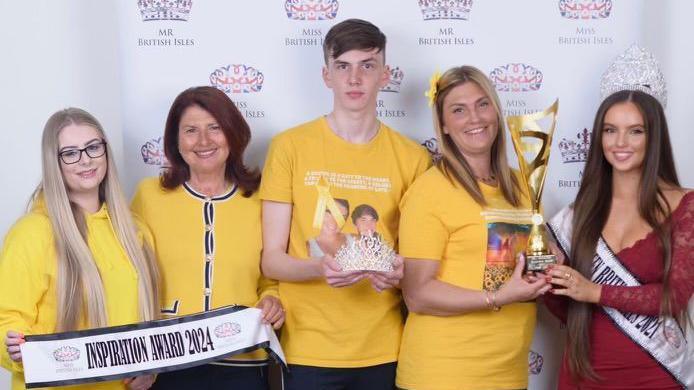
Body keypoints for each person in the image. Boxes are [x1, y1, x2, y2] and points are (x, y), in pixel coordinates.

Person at [259, 18, 431, 390]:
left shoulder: (413, 158)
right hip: (309, 347)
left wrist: (399, 274)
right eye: (343, 66)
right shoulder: (289, 147)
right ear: (327, 75)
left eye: (367, 66)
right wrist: (322, 268)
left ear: (385, 75)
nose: (355, 79)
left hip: (385, 347)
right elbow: (271, 259)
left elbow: (416, 261)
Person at [544, 45, 694, 389]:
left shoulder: (686, 206)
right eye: (610, 130)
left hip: (654, 376)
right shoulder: (577, 213)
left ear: (653, 136)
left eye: (635, 130)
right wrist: (544, 276)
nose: (620, 142)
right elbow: (565, 308)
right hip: (583, 373)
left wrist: (594, 290)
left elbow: (675, 296)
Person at [396, 66, 551, 390]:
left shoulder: (523, 184)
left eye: (483, 104)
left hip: (508, 372)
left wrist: (548, 269)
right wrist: (496, 297)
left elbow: (526, 263)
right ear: (444, 126)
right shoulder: (429, 192)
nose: (475, 118)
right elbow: (418, 295)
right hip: (444, 374)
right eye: (458, 110)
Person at [131, 86, 284, 390]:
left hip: (243, 360)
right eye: (191, 130)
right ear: (176, 141)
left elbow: (271, 276)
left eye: (215, 128)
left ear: (233, 133)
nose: (203, 141)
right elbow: (127, 274)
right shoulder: (149, 196)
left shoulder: (261, 200)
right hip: (167, 361)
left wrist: (273, 299)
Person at [0, 108, 160, 390]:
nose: (85, 160)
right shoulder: (32, 233)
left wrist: (149, 371)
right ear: (54, 163)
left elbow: (146, 319)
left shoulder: (135, 230)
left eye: (93, 147)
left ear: (106, 152)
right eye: (70, 153)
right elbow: (6, 321)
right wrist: (17, 352)